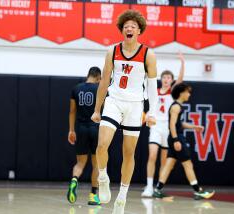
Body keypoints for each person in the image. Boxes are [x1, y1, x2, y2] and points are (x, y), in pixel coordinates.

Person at [91, 10, 158, 214]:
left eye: (133, 26)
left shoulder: (148, 54)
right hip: (114, 101)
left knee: (128, 153)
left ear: (139, 30)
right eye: (126, 26)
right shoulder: (112, 51)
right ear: (122, 30)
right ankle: (103, 177)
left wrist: (152, 112)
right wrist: (96, 109)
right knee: (102, 145)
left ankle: (122, 196)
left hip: (135, 105)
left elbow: (152, 86)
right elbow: (104, 81)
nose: (129, 29)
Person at [152, 83, 214, 200]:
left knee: (169, 164)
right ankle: (198, 191)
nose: (189, 94)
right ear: (182, 93)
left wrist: (194, 127)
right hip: (177, 138)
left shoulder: (177, 106)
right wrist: (176, 140)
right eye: (188, 92)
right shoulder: (176, 107)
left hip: (173, 137)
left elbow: (178, 124)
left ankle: (157, 190)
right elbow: (172, 125)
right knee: (188, 164)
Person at [142, 53, 185, 197]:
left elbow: (180, 79)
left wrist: (182, 62)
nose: (166, 80)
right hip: (155, 126)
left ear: (172, 81)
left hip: (167, 128)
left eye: (169, 78)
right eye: (164, 77)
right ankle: (148, 186)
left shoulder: (173, 92)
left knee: (164, 160)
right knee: (152, 155)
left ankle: (157, 188)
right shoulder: (154, 90)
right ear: (161, 79)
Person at [67, 67, 102, 206]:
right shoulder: (100, 89)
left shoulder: (76, 88)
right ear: (98, 77)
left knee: (80, 163)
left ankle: (74, 180)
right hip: (95, 129)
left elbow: (72, 111)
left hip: (80, 129)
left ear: (88, 75)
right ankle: (93, 196)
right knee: (96, 165)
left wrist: (71, 130)